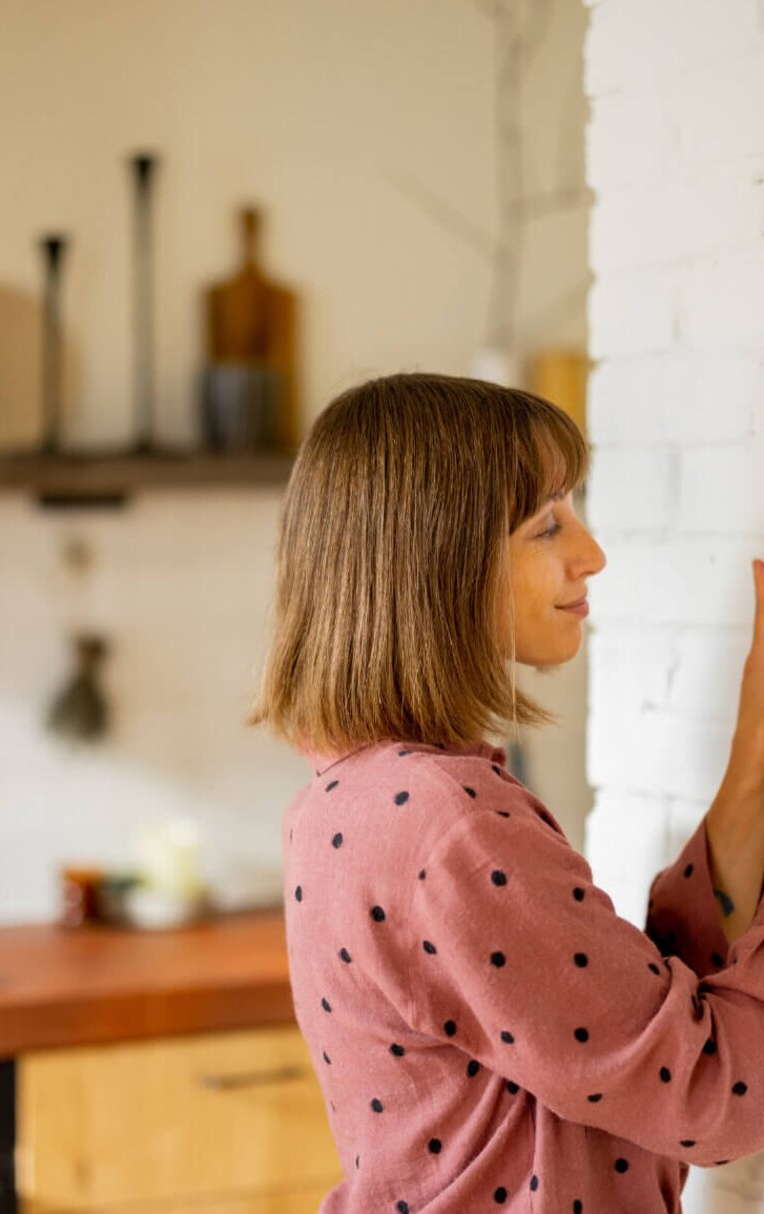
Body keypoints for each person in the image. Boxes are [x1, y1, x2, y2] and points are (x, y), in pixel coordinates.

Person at [245, 372, 764, 1212]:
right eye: (545, 526)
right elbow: (704, 1094)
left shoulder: (349, 798)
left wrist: (751, 758)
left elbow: (611, 1019)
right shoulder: (449, 826)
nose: (590, 554)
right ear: (439, 563)